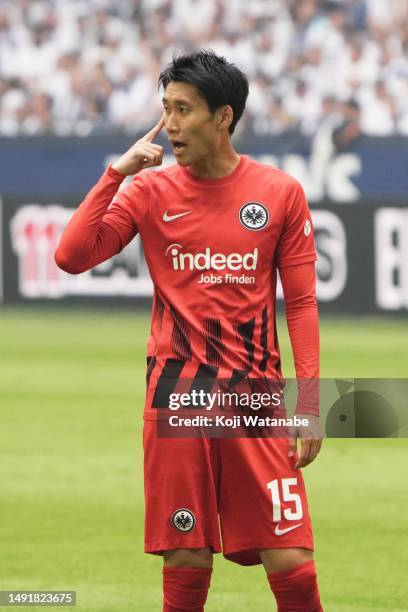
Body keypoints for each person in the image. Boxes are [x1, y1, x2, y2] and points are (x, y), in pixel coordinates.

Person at [55, 50, 323, 612]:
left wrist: (310, 403)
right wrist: (115, 174)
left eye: (183, 110)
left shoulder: (279, 192)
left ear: (223, 117)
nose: (170, 125)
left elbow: (300, 303)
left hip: (256, 399)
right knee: (186, 558)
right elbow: (71, 256)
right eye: (165, 110)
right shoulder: (149, 192)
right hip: (177, 397)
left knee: (292, 559)